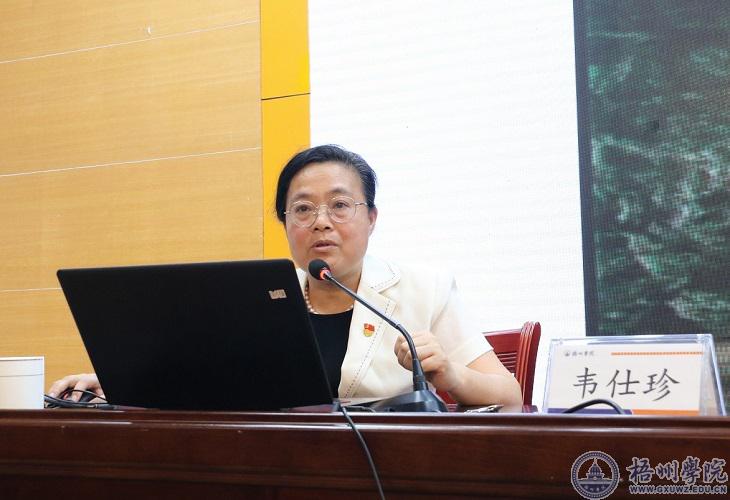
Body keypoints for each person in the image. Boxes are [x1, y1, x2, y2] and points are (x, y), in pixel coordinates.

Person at [50, 145, 522, 406]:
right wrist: (118, 385)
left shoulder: (424, 288)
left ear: (371, 218)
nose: (321, 222)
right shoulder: (256, 298)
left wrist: (450, 374)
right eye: (302, 209)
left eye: (340, 205)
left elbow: (509, 397)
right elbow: (205, 383)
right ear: (285, 223)